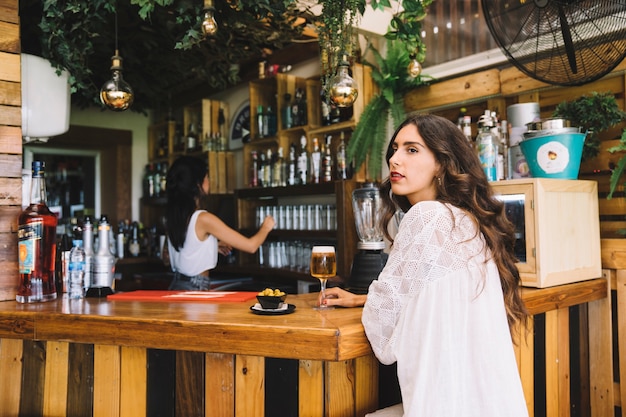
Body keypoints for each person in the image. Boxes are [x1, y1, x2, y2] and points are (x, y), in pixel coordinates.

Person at [323, 113, 529, 417]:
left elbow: (384, 336)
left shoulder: (427, 216)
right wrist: (364, 299)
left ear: (442, 163)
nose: (395, 159)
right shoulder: (466, 219)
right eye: (394, 149)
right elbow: (437, 297)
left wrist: (375, 301)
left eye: (412, 149)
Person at [165, 155, 275, 290]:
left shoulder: (174, 217)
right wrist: (266, 227)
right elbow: (251, 246)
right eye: (207, 177)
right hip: (195, 289)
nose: (209, 181)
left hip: (176, 285)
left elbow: (182, 250)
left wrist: (212, 247)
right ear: (198, 184)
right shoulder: (203, 218)